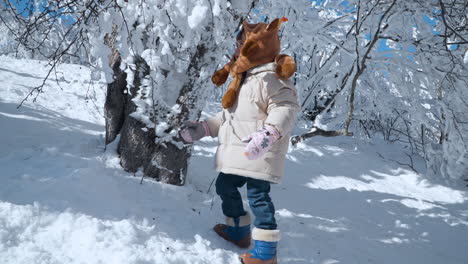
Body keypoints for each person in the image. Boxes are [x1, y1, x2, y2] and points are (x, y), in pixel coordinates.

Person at [180, 17, 299, 264]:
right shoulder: (243, 80)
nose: (235, 50)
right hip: (240, 152)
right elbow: (229, 116)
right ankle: (238, 231)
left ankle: (266, 254)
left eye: (240, 44)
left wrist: (269, 134)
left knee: (258, 197)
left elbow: (286, 107)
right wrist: (204, 128)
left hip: (261, 151)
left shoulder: (272, 79)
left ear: (255, 47)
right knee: (225, 186)